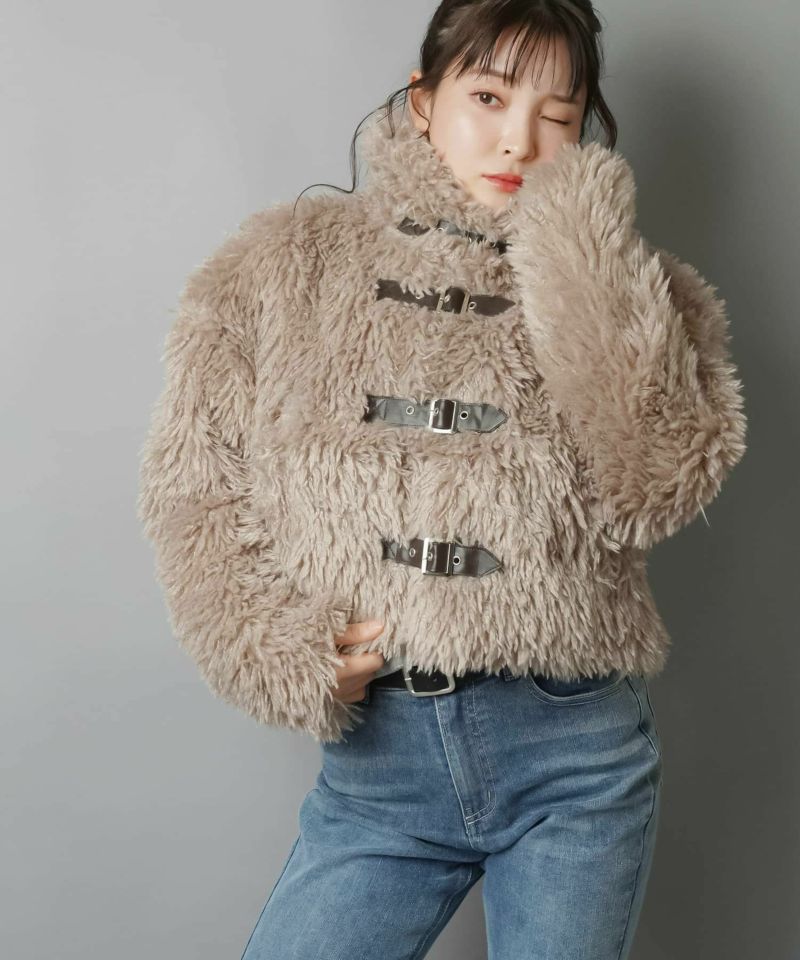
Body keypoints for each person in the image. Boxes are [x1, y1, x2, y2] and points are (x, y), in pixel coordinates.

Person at [137, 1, 748, 957]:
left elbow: (663, 479)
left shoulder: (634, 285)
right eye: (490, 97)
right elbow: (193, 487)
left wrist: (581, 251)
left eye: (557, 114)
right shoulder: (281, 268)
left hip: (574, 760)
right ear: (424, 100)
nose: (519, 139)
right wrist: (271, 645)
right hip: (380, 765)